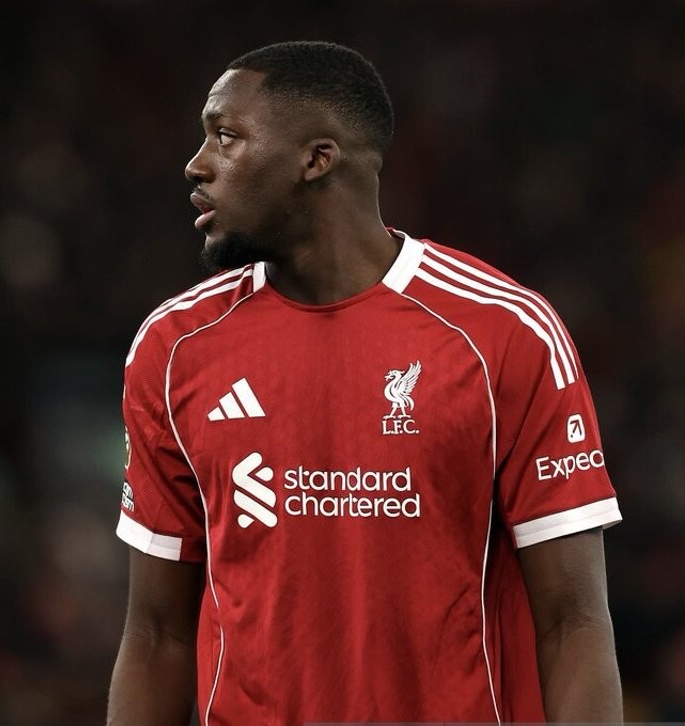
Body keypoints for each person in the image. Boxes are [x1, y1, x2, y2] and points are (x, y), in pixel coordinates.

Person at [107, 41, 623, 725]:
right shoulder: (175, 347)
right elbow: (155, 635)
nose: (196, 164)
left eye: (225, 137)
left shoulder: (504, 333)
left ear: (317, 159)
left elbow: (573, 623)